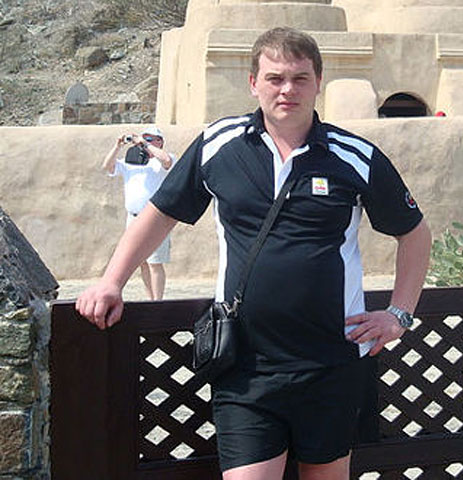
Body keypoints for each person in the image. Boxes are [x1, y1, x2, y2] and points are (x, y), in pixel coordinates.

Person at [77, 27, 431, 480]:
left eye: (300, 78)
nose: (287, 90)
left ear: (318, 83)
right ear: (253, 83)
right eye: (275, 78)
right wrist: (112, 281)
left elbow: (415, 234)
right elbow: (161, 214)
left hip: (333, 362)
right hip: (246, 365)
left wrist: (399, 314)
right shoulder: (219, 144)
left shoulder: (354, 155)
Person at [101, 125, 175, 300]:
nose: (144, 142)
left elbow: (167, 161)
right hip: (133, 218)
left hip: (155, 218)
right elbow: (107, 166)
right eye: (144, 138)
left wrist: (145, 144)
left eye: (150, 139)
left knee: (155, 262)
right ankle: (150, 299)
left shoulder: (161, 161)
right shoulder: (131, 162)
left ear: (159, 142)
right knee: (141, 262)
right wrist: (117, 146)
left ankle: (158, 302)